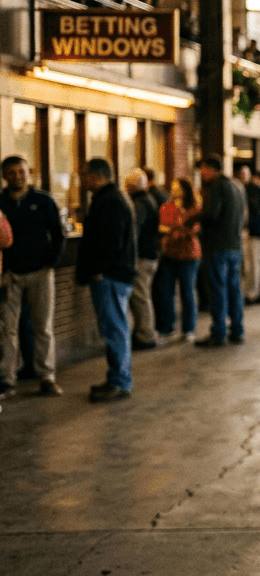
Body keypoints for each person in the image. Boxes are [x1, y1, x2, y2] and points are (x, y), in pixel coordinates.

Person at [0, 155, 65, 398]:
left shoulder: (44, 201)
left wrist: (51, 263)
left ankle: (47, 377)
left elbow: (58, 234)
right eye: (11, 172)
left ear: (29, 173)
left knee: (43, 327)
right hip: (9, 276)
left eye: (21, 171)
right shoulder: (0, 203)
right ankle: (6, 380)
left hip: (40, 272)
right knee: (7, 329)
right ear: (4, 176)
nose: (17, 176)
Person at [76, 159, 137, 403]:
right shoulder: (112, 198)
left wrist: (99, 271)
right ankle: (117, 377)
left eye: (84, 175)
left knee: (114, 328)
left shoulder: (110, 201)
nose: (82, 181)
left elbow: (109, 243)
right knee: (114, 327)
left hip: (111, 276)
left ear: (96, 176)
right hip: (114, 274)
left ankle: (120, 381)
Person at [185, 155, 246, 347]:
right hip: (234, 246)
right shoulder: (236, 186)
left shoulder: (217, 186)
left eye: (202, 169)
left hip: (218, 246)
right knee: (234, 290)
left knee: (218, 290)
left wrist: (192, 218)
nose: (201, 174)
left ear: (209, 168)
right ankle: (237, 330)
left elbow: (212, 213)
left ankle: (219, 333)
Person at [155, 178, 200, 340]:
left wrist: (173, 229)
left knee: (187, 292)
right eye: (173, 186)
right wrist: (177, 228)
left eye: (178, 187)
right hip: (169, 253)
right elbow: (161, 227)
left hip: (189, 255)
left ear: (185, 189)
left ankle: (188, 329)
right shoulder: (166, 207)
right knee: (166, 291)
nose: (174, 190)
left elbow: (192, 229)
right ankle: (167, 327)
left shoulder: (194, 208)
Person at [123, 170, 161, 351]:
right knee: (143, 296)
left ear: (131, 186)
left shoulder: (140, 203)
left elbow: (134, 230)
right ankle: (144, 332)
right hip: (151, 254)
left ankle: (146, 335)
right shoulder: (149, 199)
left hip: (143, 257)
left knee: (140, 297)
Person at [240, 166, 260, 304]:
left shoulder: (253, 190)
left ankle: (252, 293)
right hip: (257, 232)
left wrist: (246, 227)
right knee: (255, 264)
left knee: (252, 265)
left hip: (253, 233)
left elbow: (253, 213)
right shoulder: (259, 191)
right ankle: (256, 293)